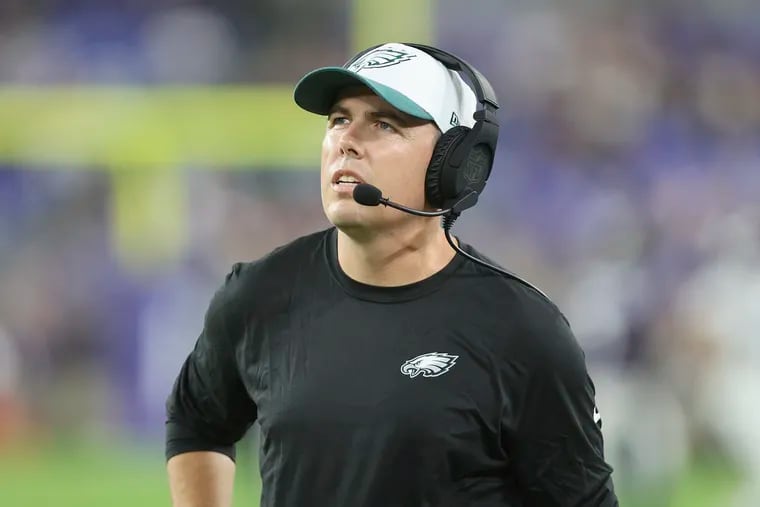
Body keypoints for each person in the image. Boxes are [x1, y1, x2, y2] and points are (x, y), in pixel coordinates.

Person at [165, 42, 619, 507]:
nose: (347, 140)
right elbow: (198, 419)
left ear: (456, 163)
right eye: (340, 119)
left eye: (384, 123)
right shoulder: (257, 295)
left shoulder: (522, 332)